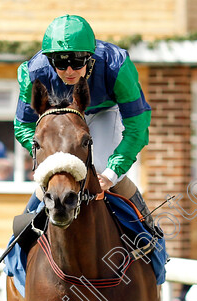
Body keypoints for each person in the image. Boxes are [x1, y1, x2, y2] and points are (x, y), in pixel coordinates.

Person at [14, 14, 153, 222]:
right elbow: (23, 126)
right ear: (50, 60)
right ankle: (20, 237)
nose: (69, 71)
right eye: (61, 63)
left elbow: (137, 127)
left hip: (105, 111)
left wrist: (111, 174)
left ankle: (148, 231)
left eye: (77, 62)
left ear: (90, 57)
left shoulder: (117, 67)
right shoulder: (34, 73)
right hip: (61, 117)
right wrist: (45, 155)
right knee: (55, 171)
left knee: (99, 166)